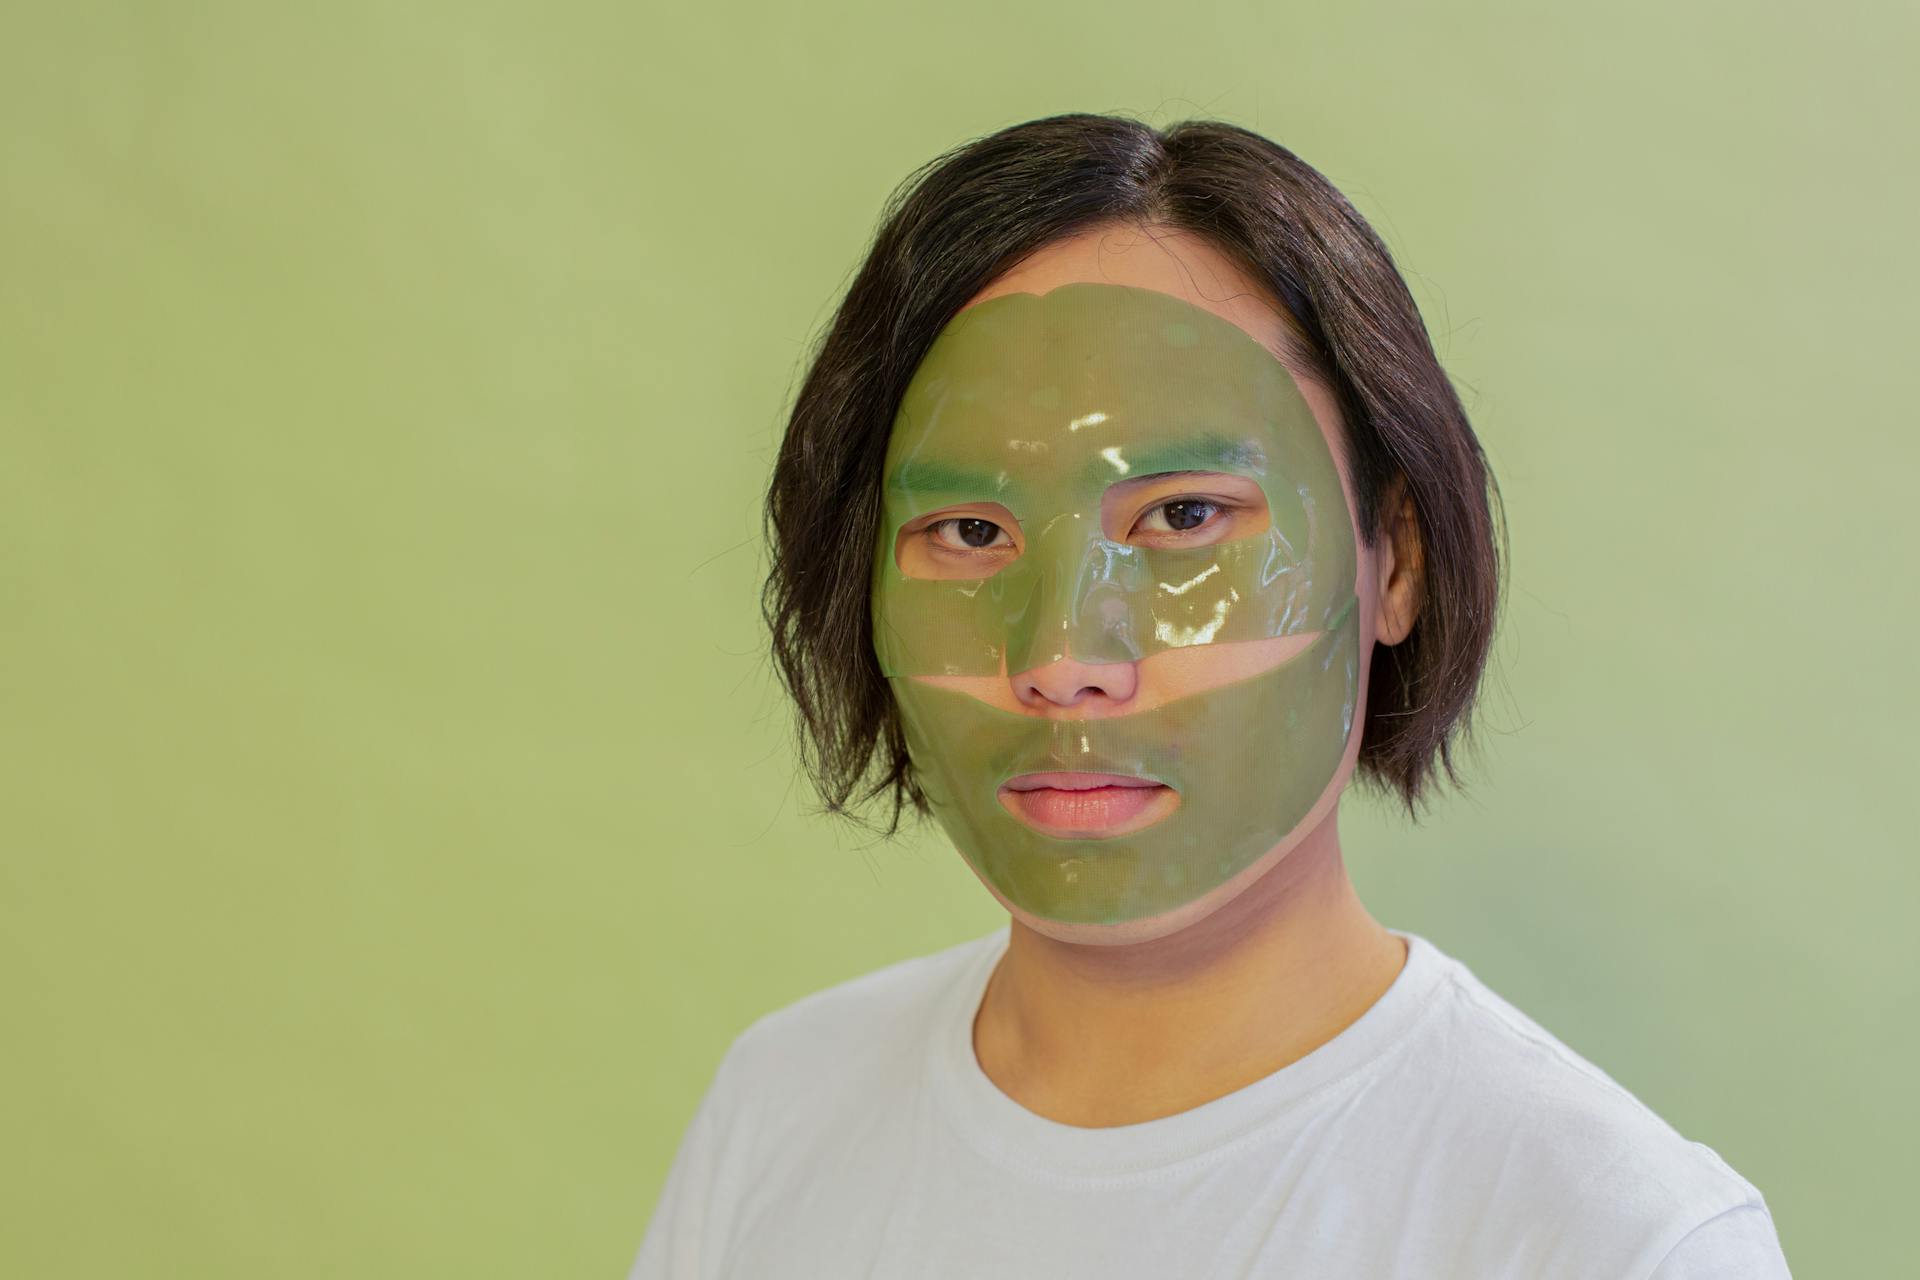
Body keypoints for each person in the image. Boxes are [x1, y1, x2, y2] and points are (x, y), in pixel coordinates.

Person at [628, 113, 1790, 1278]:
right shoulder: (782, 1103)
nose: (1062, 654)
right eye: (970, 530)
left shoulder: (1615, 1236)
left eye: (1184, 517)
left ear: (1399, 559)